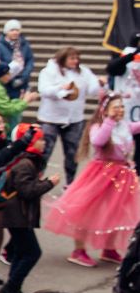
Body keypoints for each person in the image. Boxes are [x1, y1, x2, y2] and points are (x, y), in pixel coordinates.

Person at [46, 96, 140, 267]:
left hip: (122, 176)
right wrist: (109, 120)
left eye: (121, 107)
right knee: (87, 211)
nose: (120, 110)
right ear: (104, 110)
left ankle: (109, 248)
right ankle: (79, 250)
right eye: (115, 107)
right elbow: (98, 141)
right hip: (101, 174)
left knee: (117, 212)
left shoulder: (125, 126)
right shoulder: (99, 126)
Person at [0, 130, 57, 293]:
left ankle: (13, 288)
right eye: (40, 140)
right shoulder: (25, 164)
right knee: (32, 252)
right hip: (17, 215)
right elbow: (27, 191)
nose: (44, 143)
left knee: (22, 252)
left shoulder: (29, 161)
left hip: (19, 215)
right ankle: (11, 288)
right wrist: (49, 184)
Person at [35, 48, 104, 184]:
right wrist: (60, 89)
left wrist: (99, 83)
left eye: (77, 58)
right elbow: (43, 90)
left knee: (72, 154)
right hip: (50, 119)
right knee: (44, 152)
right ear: (63, 58)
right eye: (72, 58)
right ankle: (37, 180)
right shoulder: (49, 71)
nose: (75, 61)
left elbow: (92, 90)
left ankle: (70, 183)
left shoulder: (83, 71)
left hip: (74, 119)